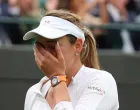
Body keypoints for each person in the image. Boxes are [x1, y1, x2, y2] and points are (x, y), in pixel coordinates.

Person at [23, 10, 119, 110]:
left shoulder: (102, 81)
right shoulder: (34, 92)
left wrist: (57, 78)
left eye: (52, 46)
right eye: (40, 46)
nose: (45, 54)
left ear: (78, 46)